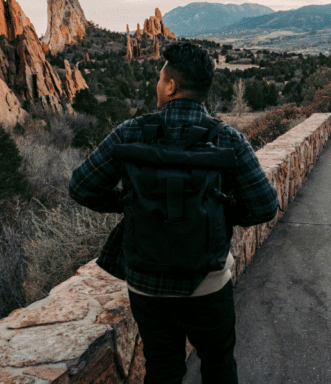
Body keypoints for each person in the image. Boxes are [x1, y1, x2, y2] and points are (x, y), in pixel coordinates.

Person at [69, 42, 279, 383]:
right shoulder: (228, 140)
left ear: (171, 86)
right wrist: (219, 209)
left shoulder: (130, 132)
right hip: (208, 284)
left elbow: (81, 186)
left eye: (159, 78)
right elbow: (264, 207)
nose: (157, 84)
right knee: (218, 363)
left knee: (162, 368)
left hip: (147, 286)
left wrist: (128, 202)